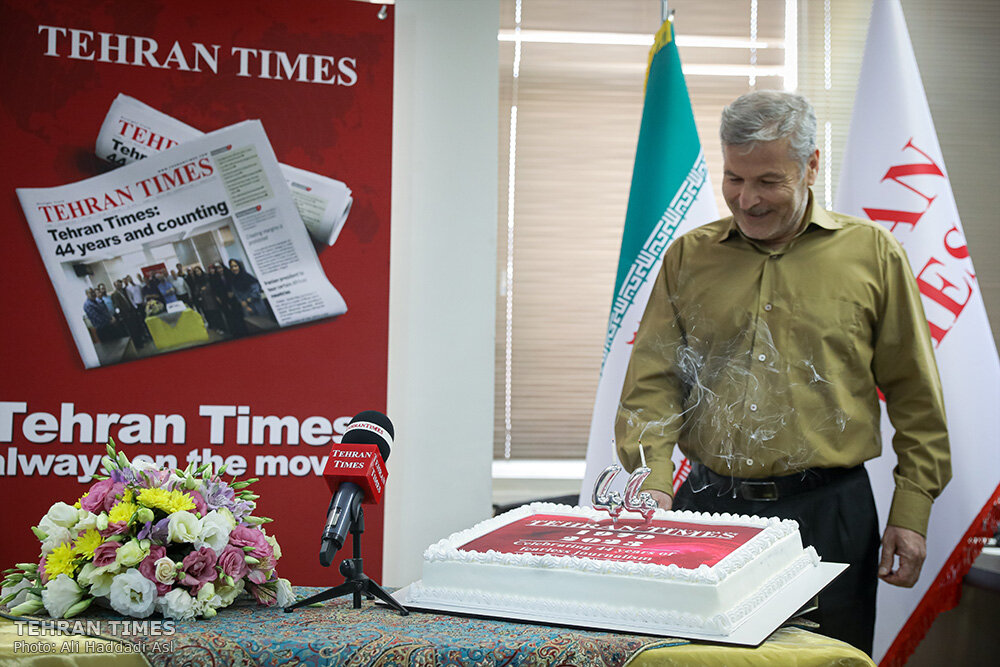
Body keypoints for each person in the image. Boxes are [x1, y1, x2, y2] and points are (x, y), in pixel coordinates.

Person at [614, 91, 950, 655]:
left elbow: (917, 396)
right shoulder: (688, 258)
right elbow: (653, 384)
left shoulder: (873, 254)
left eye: (769, 181)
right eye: (734, 178)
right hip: (707, 510)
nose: (747, 200)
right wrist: (651, 485)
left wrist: (912, 512)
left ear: (811, 165)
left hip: (829, 515)